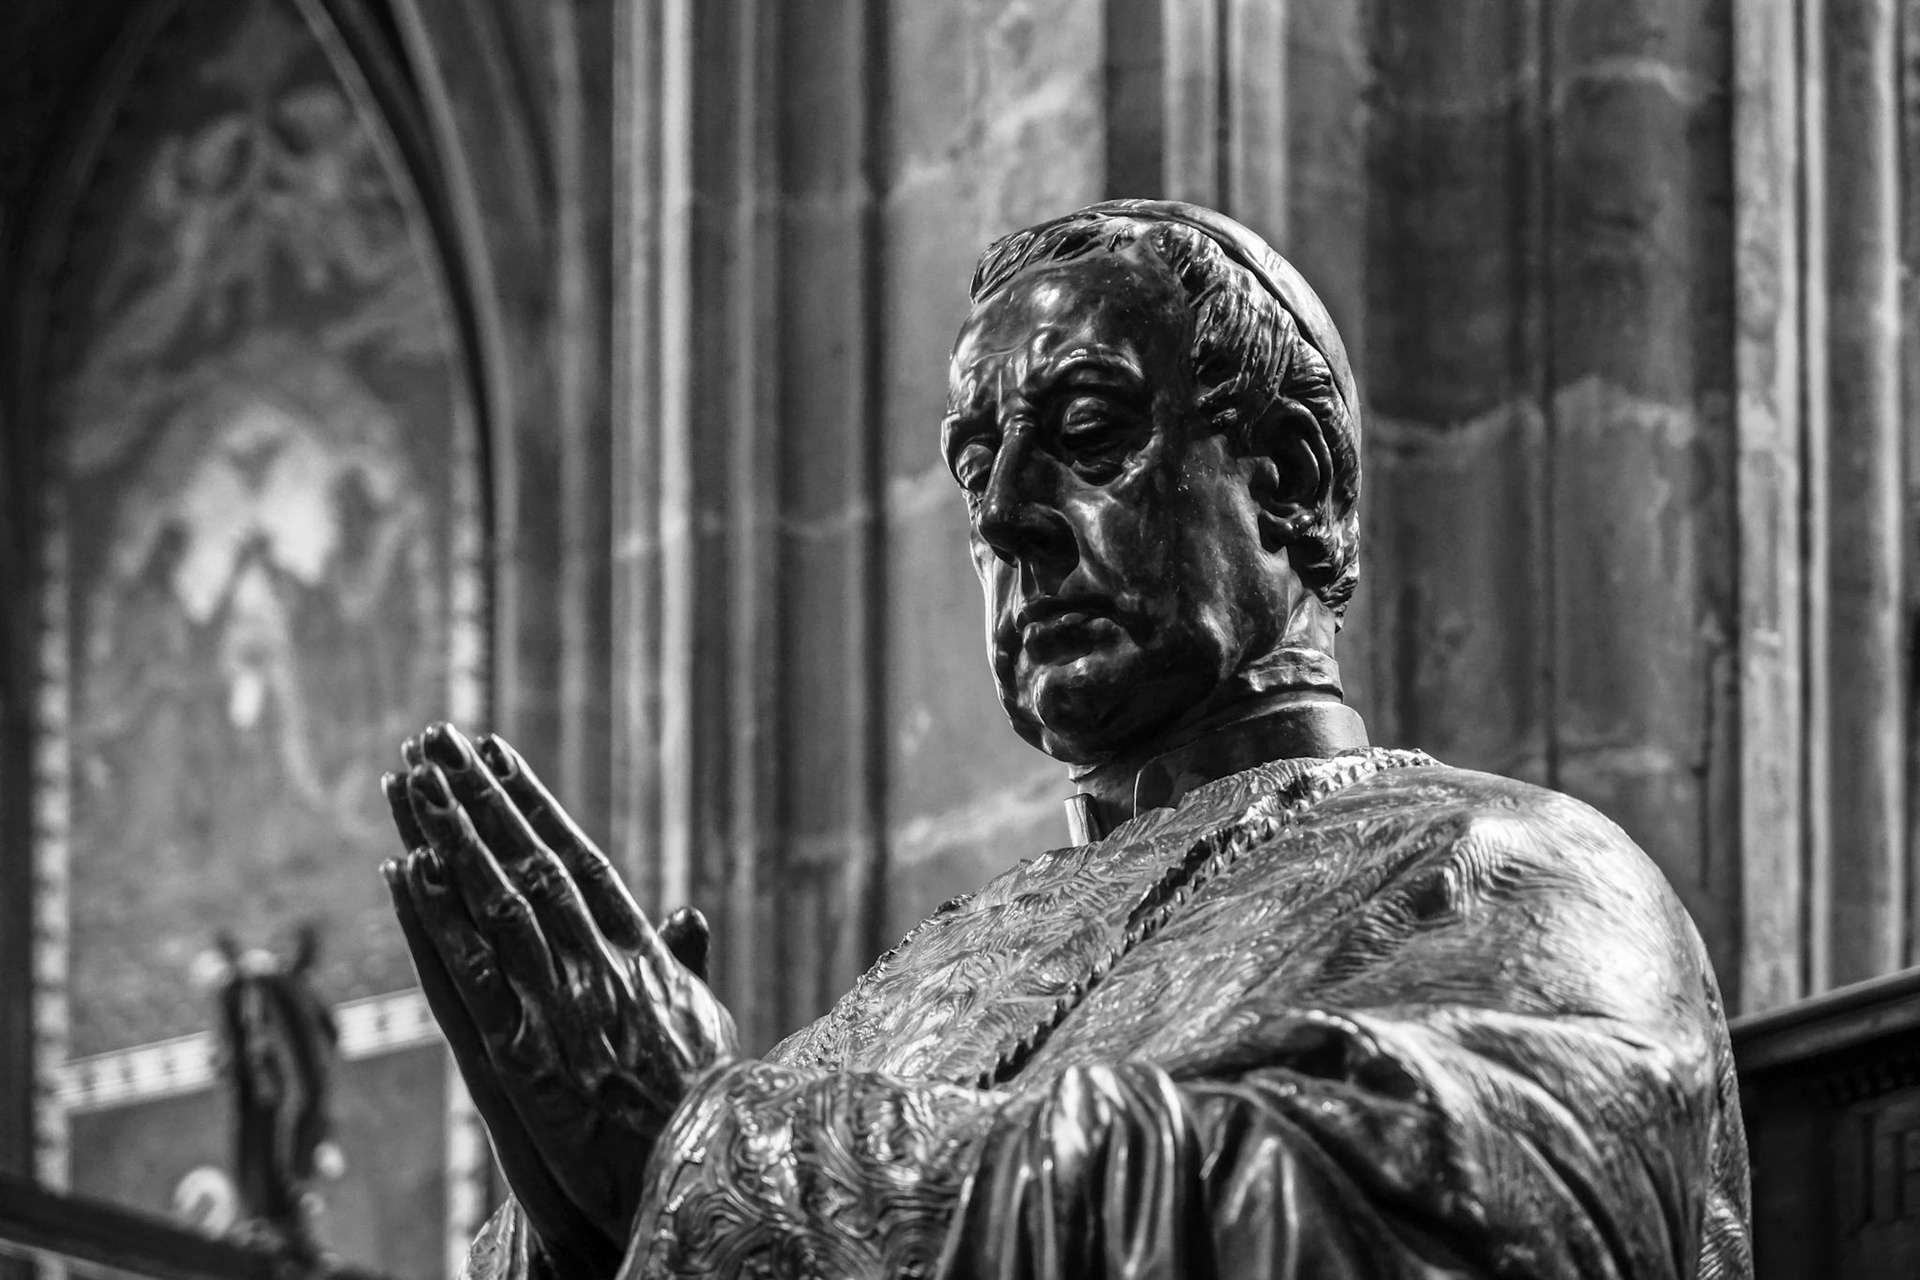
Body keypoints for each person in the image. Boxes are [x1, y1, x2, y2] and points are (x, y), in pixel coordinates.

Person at [381, 200, 1752, 1279]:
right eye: (978, 466)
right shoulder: (908, 991)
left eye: (1086, 433)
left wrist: (707, 1147)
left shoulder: (1512, 867)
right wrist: (568, 1217)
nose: (1006, 518)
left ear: (1292, 485)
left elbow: (1431, 1222)